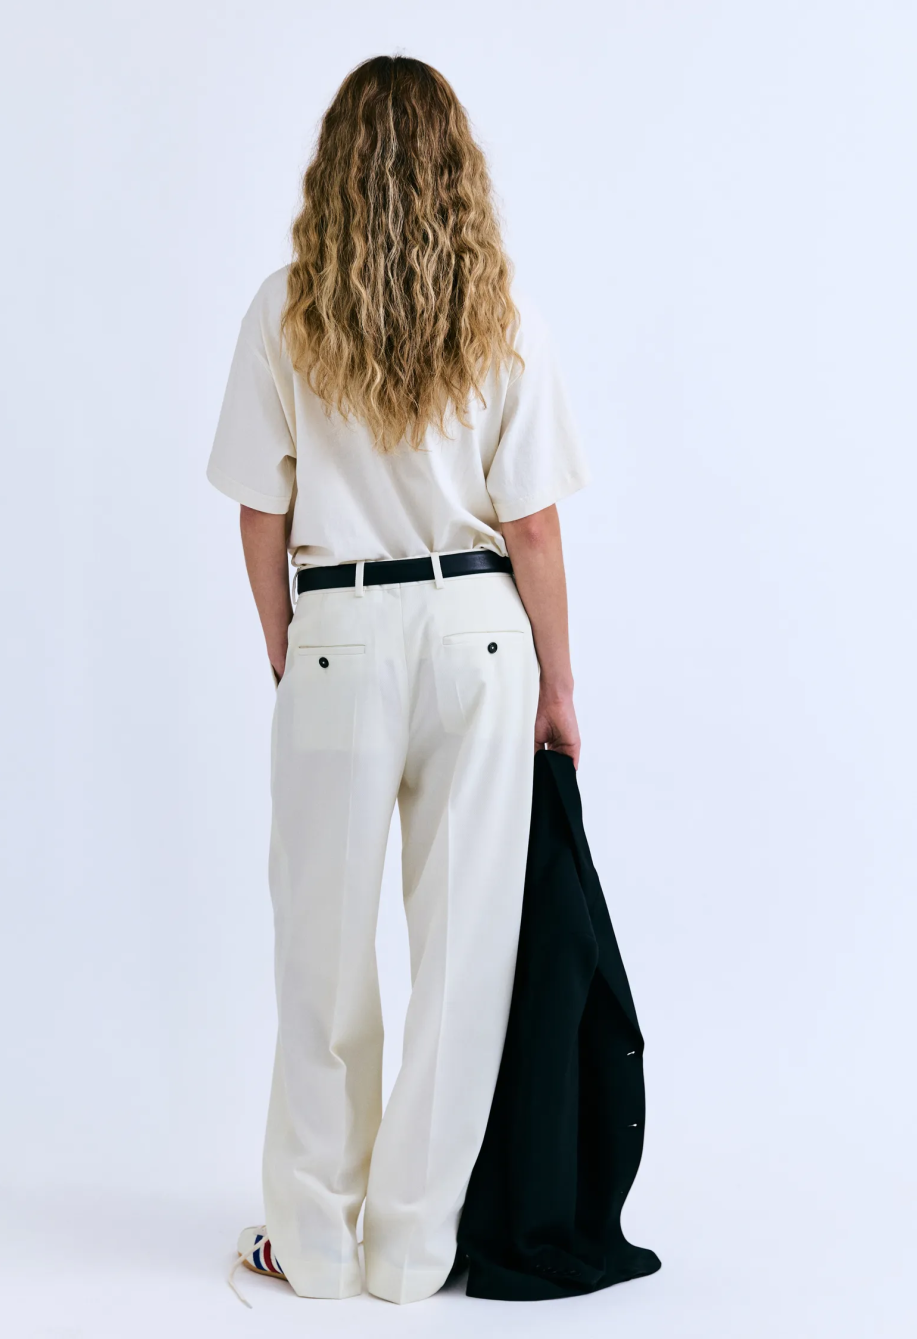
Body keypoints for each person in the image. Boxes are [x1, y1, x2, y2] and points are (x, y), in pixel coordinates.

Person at [210, 55, 589, 1307]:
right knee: (463, 949)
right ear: (455, 170)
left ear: (333, 168)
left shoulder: (285, 309)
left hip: (340, 631)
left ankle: (315, 1244)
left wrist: (290, 647)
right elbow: (532, 528)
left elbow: (260, 513)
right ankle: (414, 1251)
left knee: (320, 946)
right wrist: (559, 686)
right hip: (481, 635)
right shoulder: (501, 314)